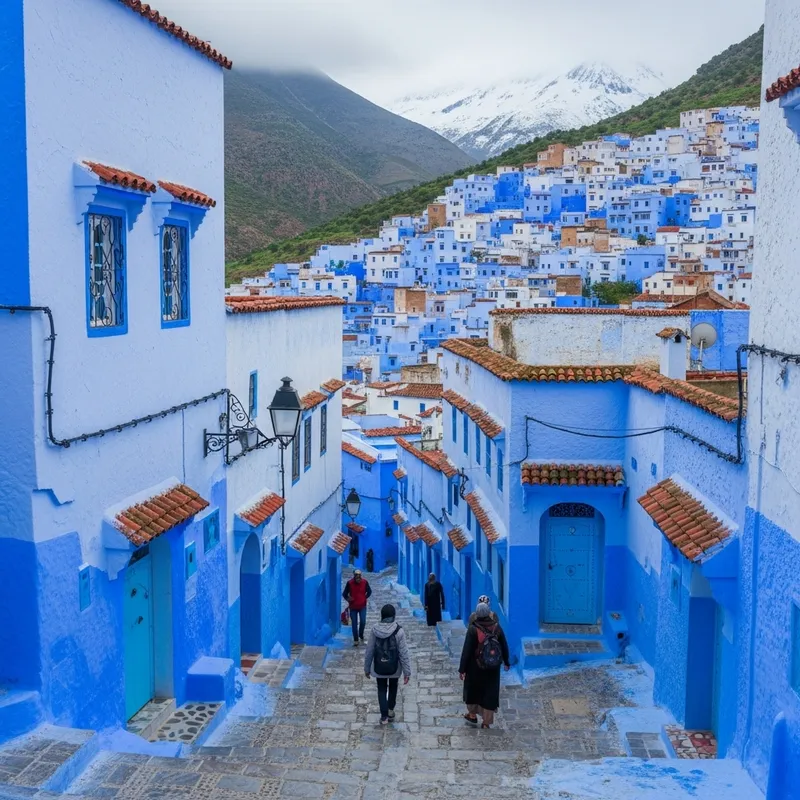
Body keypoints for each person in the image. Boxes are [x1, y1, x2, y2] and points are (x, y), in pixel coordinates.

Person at [459, 602, 510, 729]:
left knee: (473, 691)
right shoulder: (497, 627)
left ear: (477, 614)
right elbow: (503, 645)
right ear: (488, 613)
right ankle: (486, 723)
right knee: (490, 692)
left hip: (475, 667)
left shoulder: (473, 629)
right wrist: (506, 662)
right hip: (492, 668)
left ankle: (472, 715)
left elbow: (467, 650)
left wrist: (462, 669)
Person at [364, 603, 411, 725]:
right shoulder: (399, 631)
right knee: (393, 686)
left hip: (379, 666)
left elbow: (369, 649)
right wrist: (407, 672)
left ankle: (383, 716)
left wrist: (367, 668)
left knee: (381, 688)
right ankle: (390, 710)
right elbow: (403, 652)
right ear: (393, 616)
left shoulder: (375, 630)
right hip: (394, 667)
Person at [342, 569, 372, 646]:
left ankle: (361, 634)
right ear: (354, 577)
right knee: (354, 624)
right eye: (357, 577)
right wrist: (348, 599)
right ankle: (356, 639)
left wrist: (365, 597)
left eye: (359, 577)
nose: (358, 579)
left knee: (363, 621)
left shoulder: (365, 582)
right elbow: (344, 594)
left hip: (362, 606)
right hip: (353, 607)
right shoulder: (350, 583)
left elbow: (369, 591)